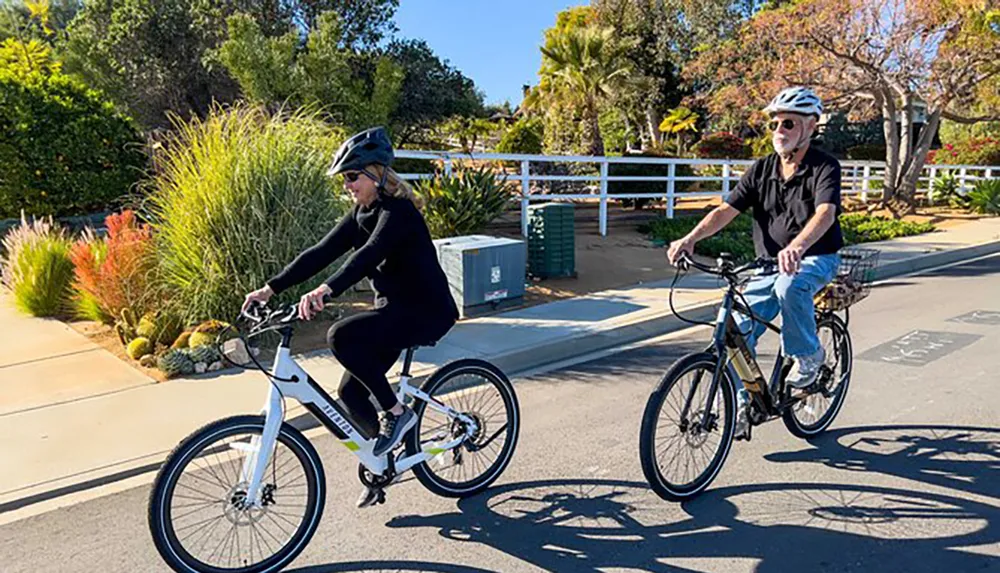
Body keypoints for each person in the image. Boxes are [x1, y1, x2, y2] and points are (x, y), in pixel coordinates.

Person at [242, 127, 459, 507]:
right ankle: (380, 463)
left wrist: (326, 290)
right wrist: (269, 289)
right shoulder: (362, 212)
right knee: (350, 392)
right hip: (393, 311)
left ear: (376, 174)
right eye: (345, 178)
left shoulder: (399, 212)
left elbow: (368, 255)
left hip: (426, 311)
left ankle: (397, 412)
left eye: (352, 176)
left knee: (341, 337)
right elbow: (321, 252)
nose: (347, 185)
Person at [666, 87, 843, 435]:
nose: (780, 130)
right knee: (735, 331)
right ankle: (745, 404)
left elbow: (825, 214)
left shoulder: (824, 166)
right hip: (767, 265)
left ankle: (808, 355)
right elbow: (724, 212)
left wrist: (797, 246)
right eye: (775, 123)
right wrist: (689, 240)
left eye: (788, 123)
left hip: (817, 258)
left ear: (810, 126)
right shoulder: (762, 170)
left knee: (790, 285)